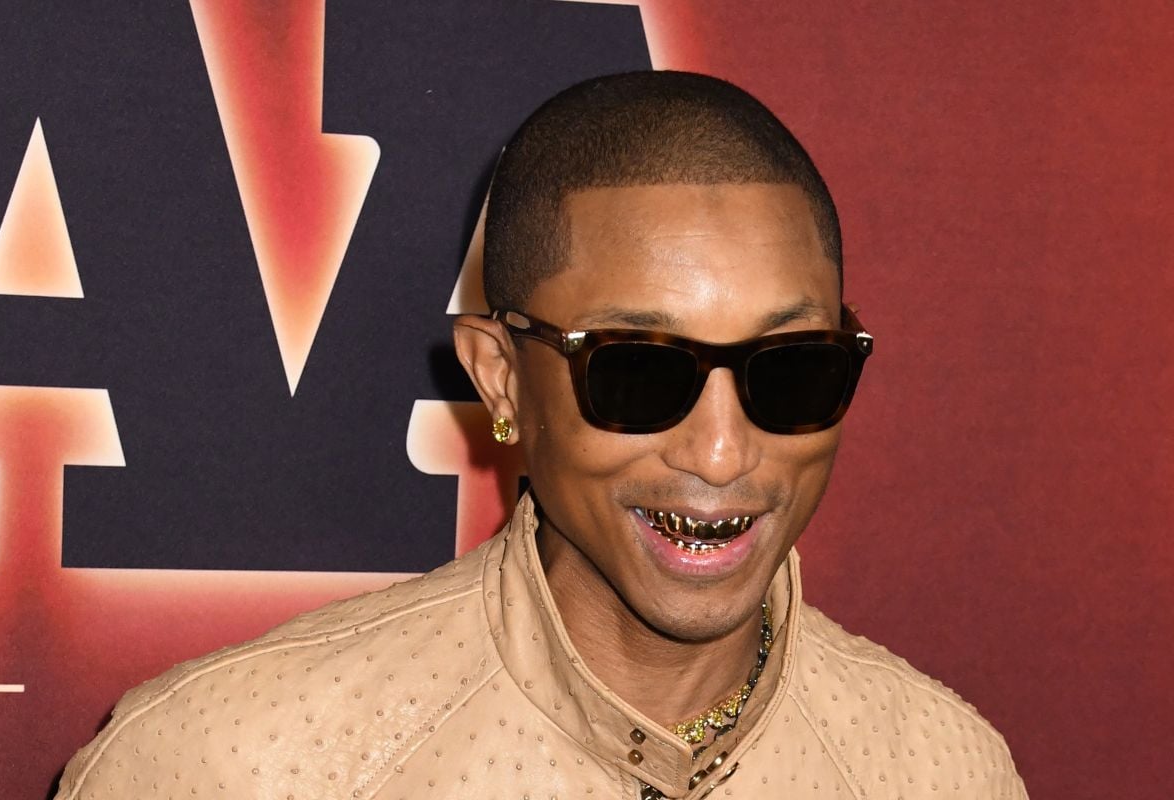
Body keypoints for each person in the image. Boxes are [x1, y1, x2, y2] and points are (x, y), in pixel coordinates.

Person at [56, 71, 1027, 799]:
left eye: (792, 369)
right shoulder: (235, 766)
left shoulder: (941, 769)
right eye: (638, 372)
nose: (723, 452)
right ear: (501, 376)